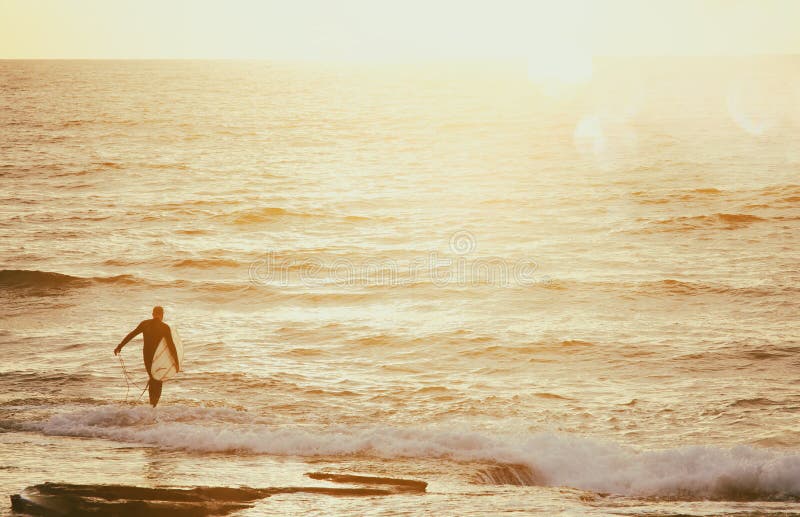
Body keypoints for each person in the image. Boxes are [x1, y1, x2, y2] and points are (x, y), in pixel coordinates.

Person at [114, 306, 179, 407]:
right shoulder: (164, 327)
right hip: (158, 358)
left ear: (153, 314)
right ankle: (153, 405)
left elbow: (131, 335)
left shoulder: (145, 324)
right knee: (158, 379)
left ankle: (152, 405)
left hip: (147, 356)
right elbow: (171, 346)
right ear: (162, 315)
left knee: (153, 378)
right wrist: (176, 363)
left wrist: (119, 346)